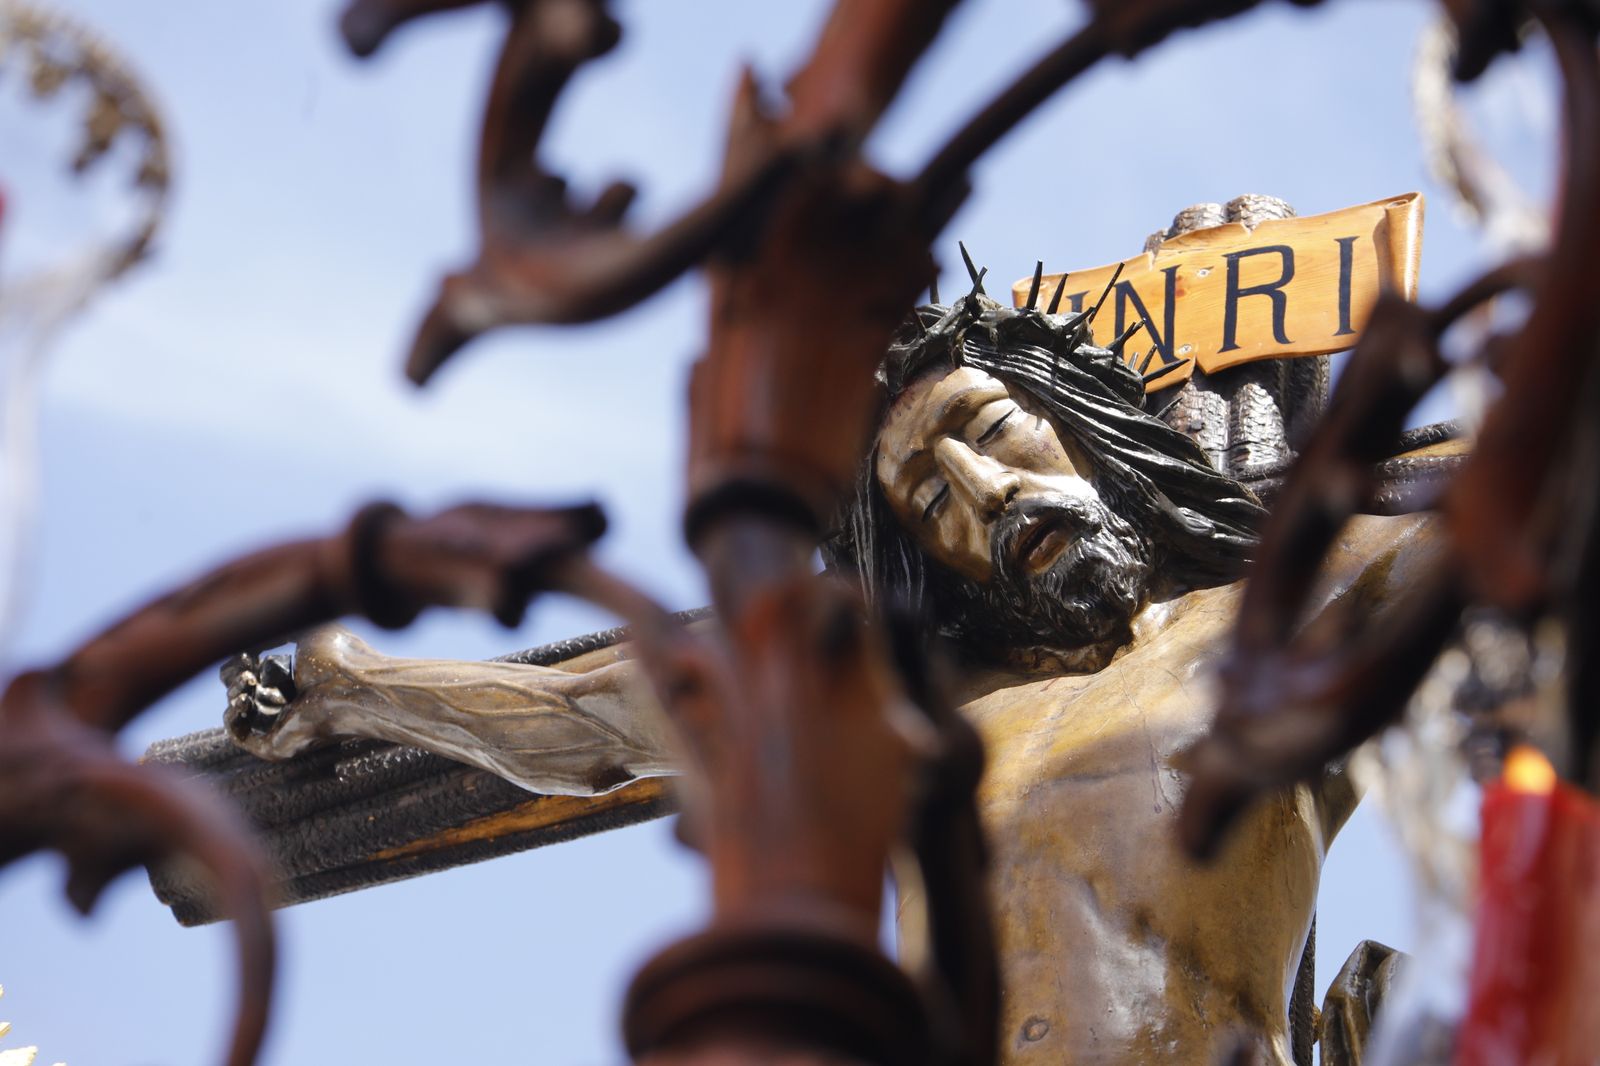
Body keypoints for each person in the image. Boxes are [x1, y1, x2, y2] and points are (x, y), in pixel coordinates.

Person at [226, 294, 1437, 1065]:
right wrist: (360, 685)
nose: (982, 493)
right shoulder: (908, 711)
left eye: (994, 428)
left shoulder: (1288, 616)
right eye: (928, 501)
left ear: (1081, 419)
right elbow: (588, 717)